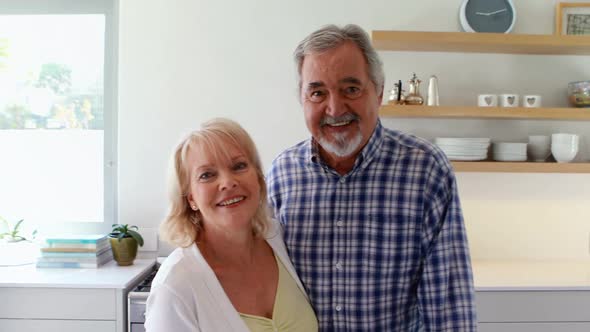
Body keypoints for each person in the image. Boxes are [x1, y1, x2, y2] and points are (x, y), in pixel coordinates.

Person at [266, 24, 477, 331]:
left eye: (351, 89)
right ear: (302, 98)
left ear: (378, 93)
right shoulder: (281, 175)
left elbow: (448, 304)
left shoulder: (425, 170)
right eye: (317, 92)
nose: (335, 108)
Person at [146, 118, 318, 332]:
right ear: (191, 198)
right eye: (207, 175)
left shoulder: (281, 240)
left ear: (258, 178)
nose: (227, 182)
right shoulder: (175, 285)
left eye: (239, 166)